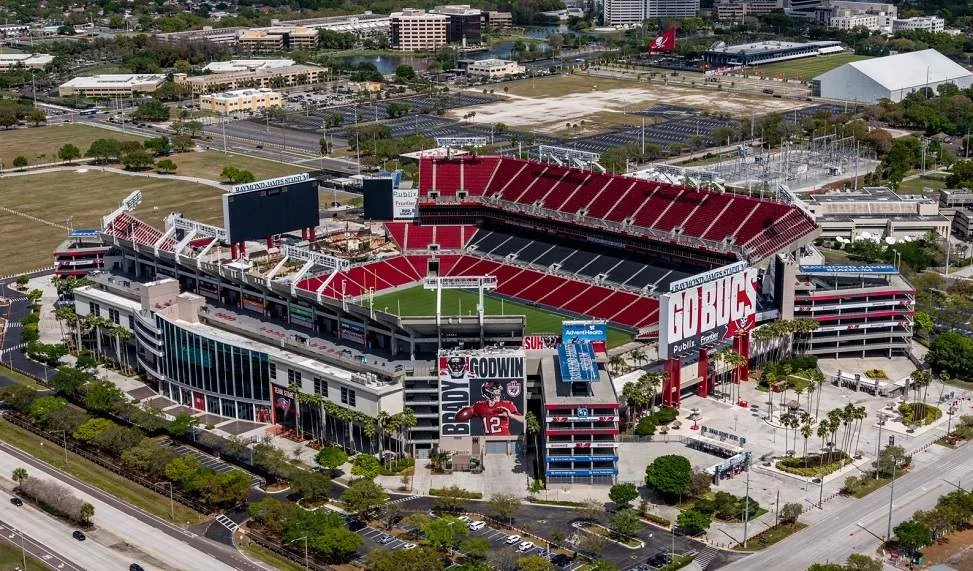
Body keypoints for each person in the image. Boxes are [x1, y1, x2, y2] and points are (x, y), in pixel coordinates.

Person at [455, 381, 524, 436]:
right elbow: (460, 417)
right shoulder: (479, 406)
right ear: (488, 392)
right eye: (496, 391)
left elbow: (523, 420)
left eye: (499, 391)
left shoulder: (507, 405)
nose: (499, 394)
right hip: (488, 440)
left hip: (504, 439)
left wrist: (511, 415)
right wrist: (464, 411)